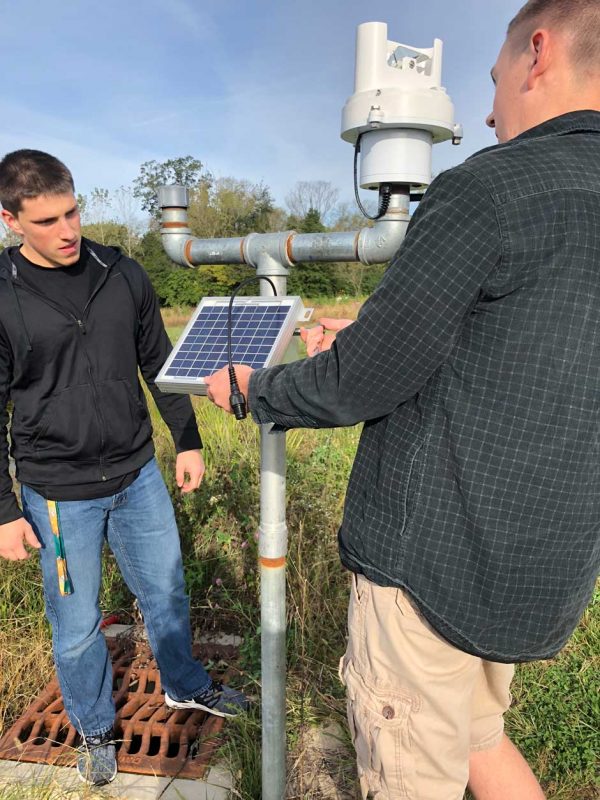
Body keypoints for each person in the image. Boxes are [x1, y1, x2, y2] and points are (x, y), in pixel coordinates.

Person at [205, 1, 600, 797]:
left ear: (539, 52)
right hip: (535, 574)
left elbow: (361, 381)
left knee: (413, 773)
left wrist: (256, 390)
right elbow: (533, 340)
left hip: (433, 574)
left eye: (493, 84)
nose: (487, 113)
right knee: (482, 739)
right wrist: (379, 324)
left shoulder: (489, 188)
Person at [0, 150, 248, 787]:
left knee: (165, 590)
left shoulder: (120, 272)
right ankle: (93, 727)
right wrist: (3, 513)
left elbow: (159, 364)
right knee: (77, 625)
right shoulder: (2, 297)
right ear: (10, 221)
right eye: (49, 220)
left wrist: (186, 440)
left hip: (137, 475)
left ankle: (185, 684)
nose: (67, 230)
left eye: (74, 211)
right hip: (57, 493)